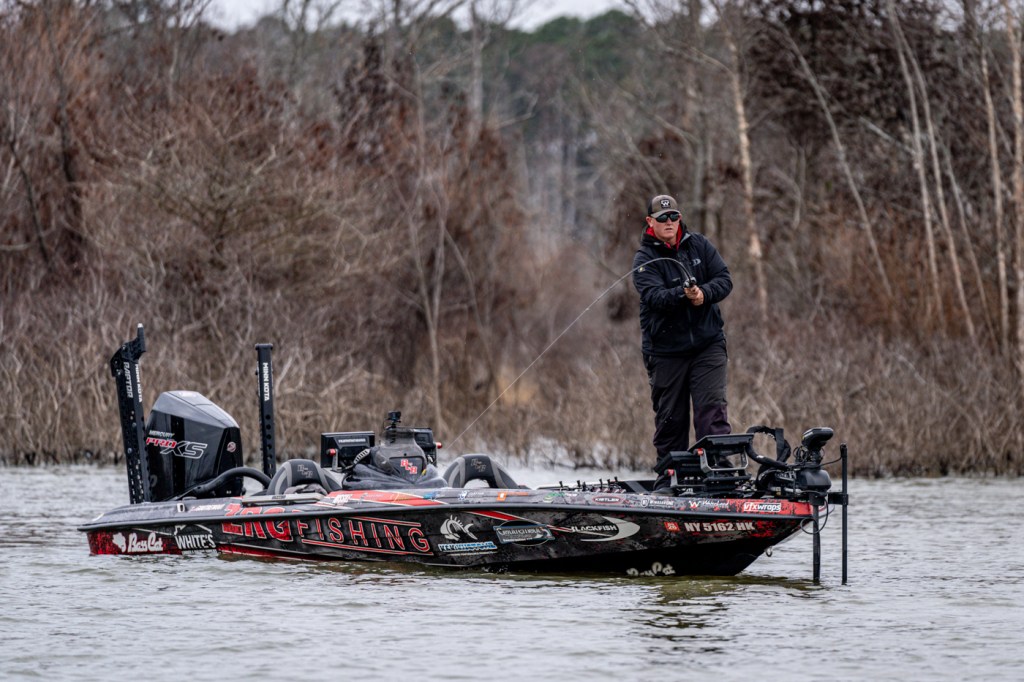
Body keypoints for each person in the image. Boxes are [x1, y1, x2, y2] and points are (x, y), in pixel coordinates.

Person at [632, 194, 733, 474]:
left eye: (674, 216)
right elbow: (654, 297)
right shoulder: (644, 259)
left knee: (712, 413)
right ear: (650, 222)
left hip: (707, 345)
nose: (669, 222)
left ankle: (719, 474)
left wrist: (704, 294)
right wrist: (683, 294)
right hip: (665, 352)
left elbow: (724, 280)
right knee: (671, 421)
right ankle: (670, 478)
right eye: (662, 218)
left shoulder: (700, 244)